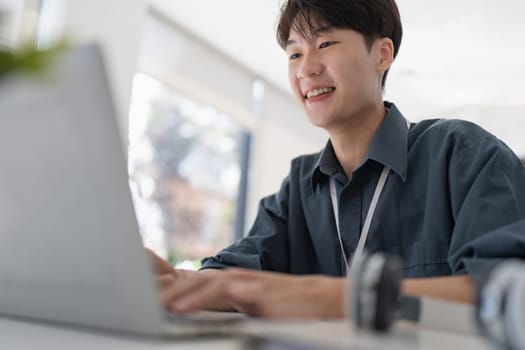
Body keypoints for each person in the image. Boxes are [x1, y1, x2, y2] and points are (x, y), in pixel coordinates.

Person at [149, 0, 525, 319]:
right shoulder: (299, 184)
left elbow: (506, 295)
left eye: (325, 42)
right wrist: (178, 282)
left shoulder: (463, 154)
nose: (306, 68)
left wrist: (323, 297)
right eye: (295, 52)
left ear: (382, 54)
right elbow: (241, 270)